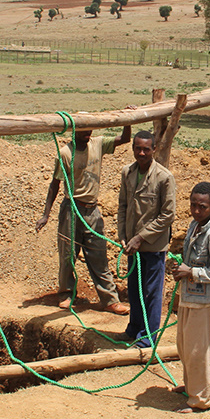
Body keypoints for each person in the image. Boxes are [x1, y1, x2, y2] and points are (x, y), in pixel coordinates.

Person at [35, 124, 132, 315]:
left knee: (99, 256)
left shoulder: (97, 144)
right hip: (71, 209)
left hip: (92, 210)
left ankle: (110, 300)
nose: (89, 133)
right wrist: (46, 214)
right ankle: (66, 294)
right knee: (67, 255)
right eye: (84, 130)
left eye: (91, 129)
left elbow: (125, 139)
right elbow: (55, 184)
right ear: (74, 130)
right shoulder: (65, 153)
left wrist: (127, 121)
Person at [170, 182, 210, 413]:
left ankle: (200, 399)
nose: (196, 210)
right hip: (189, 296)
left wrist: (192, 273)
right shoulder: (194, 226)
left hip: (203, 300)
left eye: (202, 207)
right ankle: (191, 386)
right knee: (185, 346)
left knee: (199, 349)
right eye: (193, 205)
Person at [117, 130, 176, 347]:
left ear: (153, 150)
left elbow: (168, 215)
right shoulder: (127, 172)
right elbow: (122, 205)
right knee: (134, 288)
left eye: (146, 149)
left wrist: (140, 238)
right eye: (137, 148)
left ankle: (148, 336)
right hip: (132, 245)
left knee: (151, 292)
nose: (141, 153)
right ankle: (134, 329)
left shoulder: (164, 177)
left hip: (152, 246)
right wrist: (123, 236)